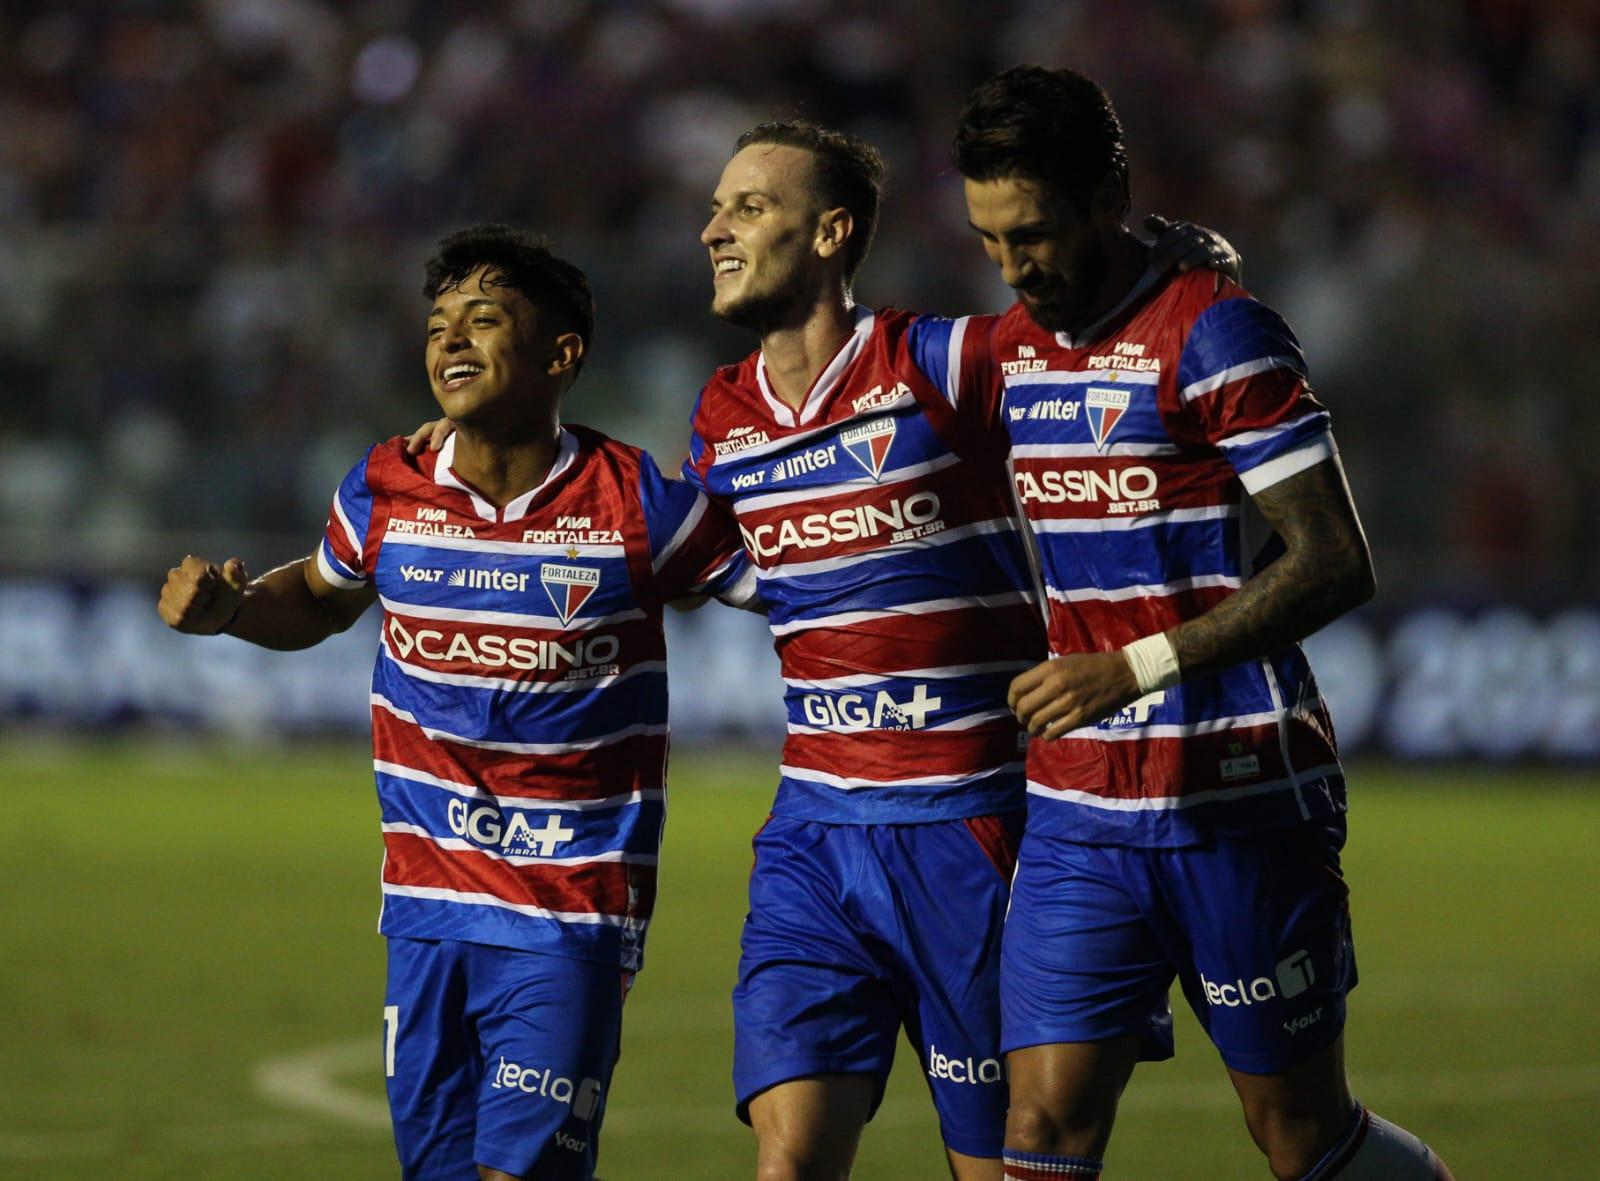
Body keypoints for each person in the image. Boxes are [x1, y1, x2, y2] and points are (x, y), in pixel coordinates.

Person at [411, 132, 1235, 1181]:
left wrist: (1173, 277)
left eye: (749, 208)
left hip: (975, 830)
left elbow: (1094, 342)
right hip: (814, 839)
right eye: (717, 207)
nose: (713, 229)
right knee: (789, 1161)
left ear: (832, 232)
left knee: (1001, 1162)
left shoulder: (940, 361)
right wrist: (477, 479)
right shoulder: (722, 416)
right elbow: (652, 549)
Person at [927, 65, 1455, 1181]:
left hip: (1239, 791)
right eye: (990, 241)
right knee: (1040, 1128)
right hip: (1079, 813)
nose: (1016, 268)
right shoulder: (1009, 348)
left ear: (1106, 195)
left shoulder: (1217, 334)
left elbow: (1334, 560)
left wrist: (1135, 666)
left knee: (1298, 1133)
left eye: (1035, 233)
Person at [158, 224, 752, 1181]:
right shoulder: (386, 486)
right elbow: (318, 596)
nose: (451, 341)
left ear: (561, 355)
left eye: (484, 319)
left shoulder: (638, 502)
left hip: (571, 911)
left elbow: (795, 584)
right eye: (438, 325)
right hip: (427, 910)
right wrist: (233, 610)